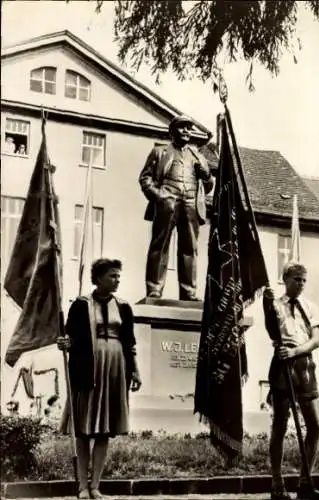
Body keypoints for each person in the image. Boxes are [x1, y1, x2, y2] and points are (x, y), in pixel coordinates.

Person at [57, 258, 142, 499]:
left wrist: (134, 370)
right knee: (83, 430)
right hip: (87, 369)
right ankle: (82, 486)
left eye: (118, 276)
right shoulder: (81, 305)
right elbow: (68, 336)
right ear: (99, 278)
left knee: (104, 430)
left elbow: (130, 343)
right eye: (112, 276)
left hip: (115, 369)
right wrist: (64, 342)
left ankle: (96, 485)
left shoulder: (123, 306)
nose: (117, 280)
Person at [263, 262, 319, 500]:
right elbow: (272, 331)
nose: (300, 284)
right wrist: (267, 306)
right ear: (285, 279)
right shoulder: (275, 305)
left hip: (304, 364)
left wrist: (296, 351)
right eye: (296, 279)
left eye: (304, 280)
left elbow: (316, 340)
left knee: (316, 425)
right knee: (280, 423)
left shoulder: (310, 307)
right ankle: (277, 485)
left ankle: (304, 483)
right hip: (282, 365)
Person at [139, 115, 214, 300]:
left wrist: (206, 176)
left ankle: (188, 291)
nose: (187, 131)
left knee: (189, 248)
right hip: (167, 201)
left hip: (190, 202)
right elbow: (145, 178)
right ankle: (154, 288)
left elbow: (209, 185)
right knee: (160, 245)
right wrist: (159, 196)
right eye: (182, 127)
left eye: (189, 127)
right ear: (172, 131)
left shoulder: (198, 155)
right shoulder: (160, 151)